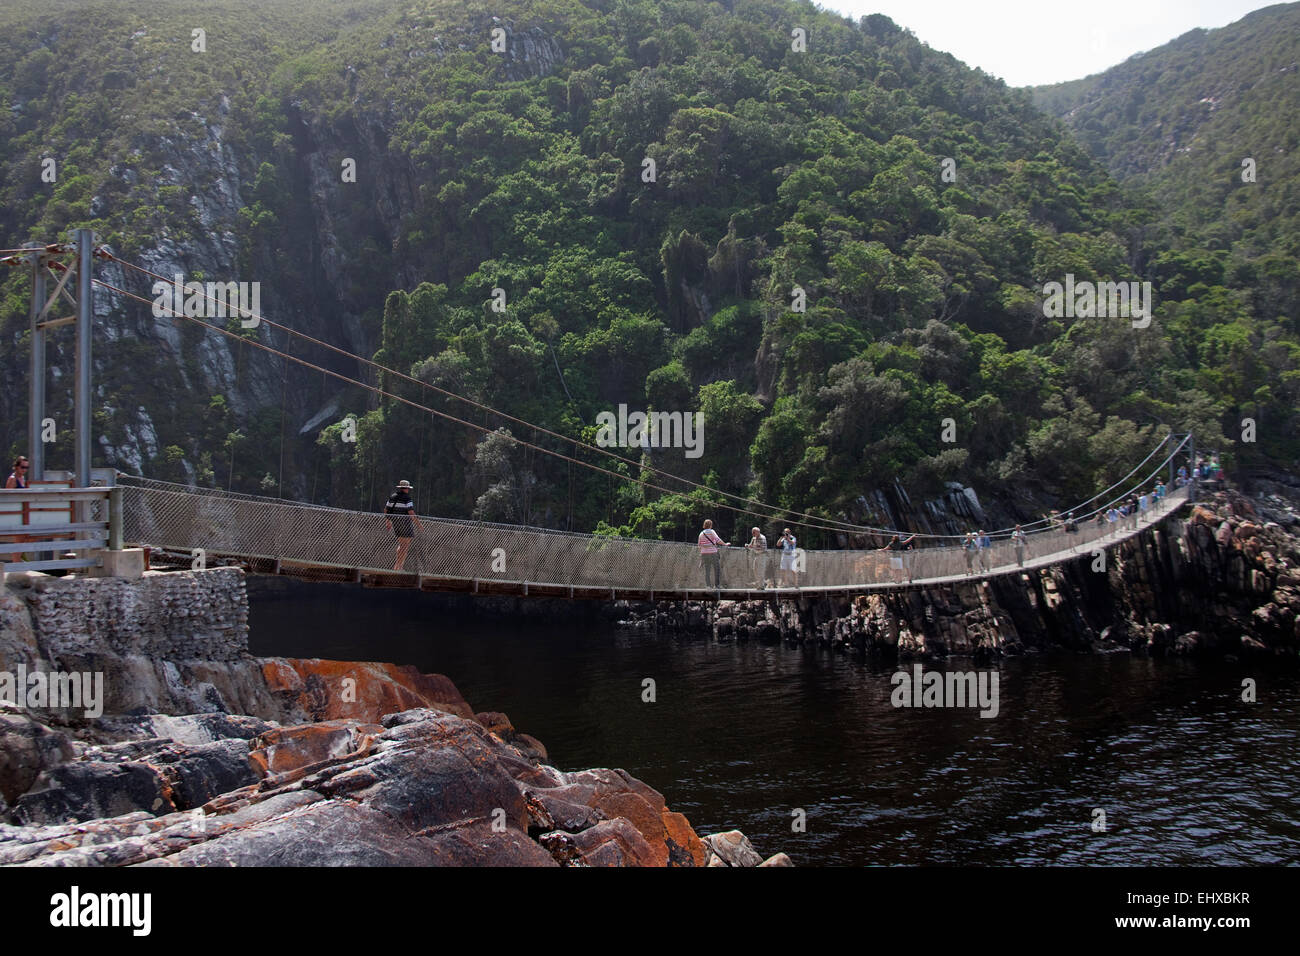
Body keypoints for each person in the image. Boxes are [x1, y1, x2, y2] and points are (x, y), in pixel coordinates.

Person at [384, 479, 421, 571]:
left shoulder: (392, 497)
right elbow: (411, 512)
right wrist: (418, 524)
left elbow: (386, 510)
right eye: (408, 488)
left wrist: (388, 522)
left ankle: (397, 566)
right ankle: (399, 566)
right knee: (405, 546)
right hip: (405, 523)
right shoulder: (407, 498)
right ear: (406, 488)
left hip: (395, 522)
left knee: (402, 544)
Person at [698, 519, 728, 589]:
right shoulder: (712, 531)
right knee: (716, 569)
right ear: (710, 525)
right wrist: (725, 544)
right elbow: (717, 540)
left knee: (707, 570)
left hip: (704, 554)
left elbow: (699, 545)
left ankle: (708, 586)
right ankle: (716, 585)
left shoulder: (701, 533)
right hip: (713, 553)